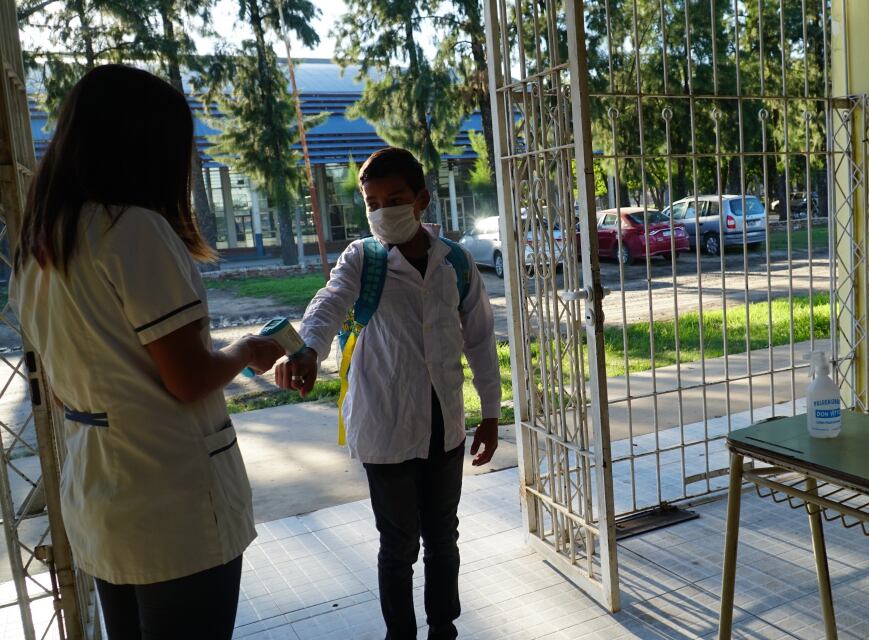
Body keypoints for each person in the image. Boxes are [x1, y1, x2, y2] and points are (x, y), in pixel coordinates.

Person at [10, 65, 285, 639]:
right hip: (170, 498)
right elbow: (187, 379)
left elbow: (60, 387)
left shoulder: (40, 246)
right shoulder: (134, 231)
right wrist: (248, 349)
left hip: (99, 492)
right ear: (145, 148)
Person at [277, 147, 501, 640]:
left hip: (445, 426)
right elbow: (329, 301)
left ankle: (444, 627)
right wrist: (309, 348)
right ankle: (400, 634)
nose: (382, 212)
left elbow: (481, 340)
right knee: (398, 545)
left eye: (394, 199)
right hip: (385, 425)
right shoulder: (364, 258)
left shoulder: (456, 264)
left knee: (443, 537)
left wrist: (490, 413)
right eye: (372, 202)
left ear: (421, 199)